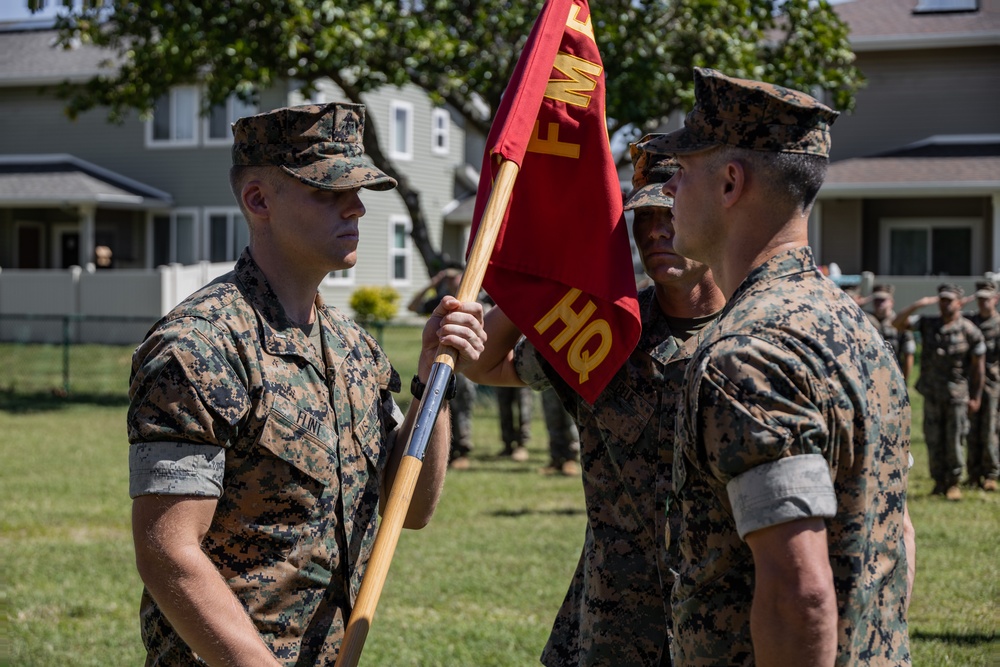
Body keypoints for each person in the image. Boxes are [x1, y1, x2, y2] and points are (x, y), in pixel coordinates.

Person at [126, 102, 486, 666]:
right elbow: (168, 552)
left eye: (359, 190)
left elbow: (409, 508)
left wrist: (433, 376)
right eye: (328, 191)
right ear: (258, 200)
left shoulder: (354, 349)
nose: (357, 207)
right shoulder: (199, 348)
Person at [655, 67, 913, 665]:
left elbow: (800, 593)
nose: (668, 191)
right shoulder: (855, 327)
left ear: (729, 184)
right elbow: (896, 535)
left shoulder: (747, 356)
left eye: (681, 171)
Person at [460, 134, 727, 666]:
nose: (655, 231)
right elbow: (481, 363)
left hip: (723, 625)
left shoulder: (757, 334)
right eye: (643, 218)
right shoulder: (607, 330)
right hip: (614, 627)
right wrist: (547, 279)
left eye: (670, 213)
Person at [894, 284, 985, 500]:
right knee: (932, 439)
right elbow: (896, 324)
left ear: (959, 302)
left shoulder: (969, 330)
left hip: (957, 395)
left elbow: (978, 367)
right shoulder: (928, 324)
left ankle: (953, 483)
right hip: (932, 394)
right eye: (942, 300)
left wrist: (976, 396)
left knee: (954, 439)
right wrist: (918, 304)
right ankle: (938, 482)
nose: (945, 304)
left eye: (949, 300)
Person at [408, 267, 479, 470]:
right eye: (450, 277)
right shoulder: (442, 301)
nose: (453, 280)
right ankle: (444, 453)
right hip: (438, 362)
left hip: (463, 366)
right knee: (439, 407)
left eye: (457, 275)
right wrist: (433, 282)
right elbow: (413, 306)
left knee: (462, 407)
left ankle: (463, 450)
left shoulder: (476, 300)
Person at [964, 280, 1000, 491]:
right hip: (970, 384)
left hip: (993, 385)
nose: (983, 303)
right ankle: (973, 473)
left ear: (995, 299)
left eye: (987, 299)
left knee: (990, 429)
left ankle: (991, 473)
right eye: (980, 299)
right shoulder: (970, 322)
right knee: (971, 430)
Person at [865, 283, 916, 382]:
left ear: (891, 302)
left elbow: (908, 354)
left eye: (882, 300)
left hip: (892, 376)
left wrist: (904, 380)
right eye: (876, 300)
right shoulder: (865, 320)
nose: (878, 303)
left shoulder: (900, 323)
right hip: (869, 375)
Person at [539, 386, 581, 476]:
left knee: (570, 418)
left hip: (570, 376)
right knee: (551, 417)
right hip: (548, 377)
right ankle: (556, 459)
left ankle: (571, 459)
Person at [496, 385, 533, 462]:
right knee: (504, 409)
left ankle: (521, 445)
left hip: (523, 377)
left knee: (523, 409)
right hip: (501, 376)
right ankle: (507, 445)